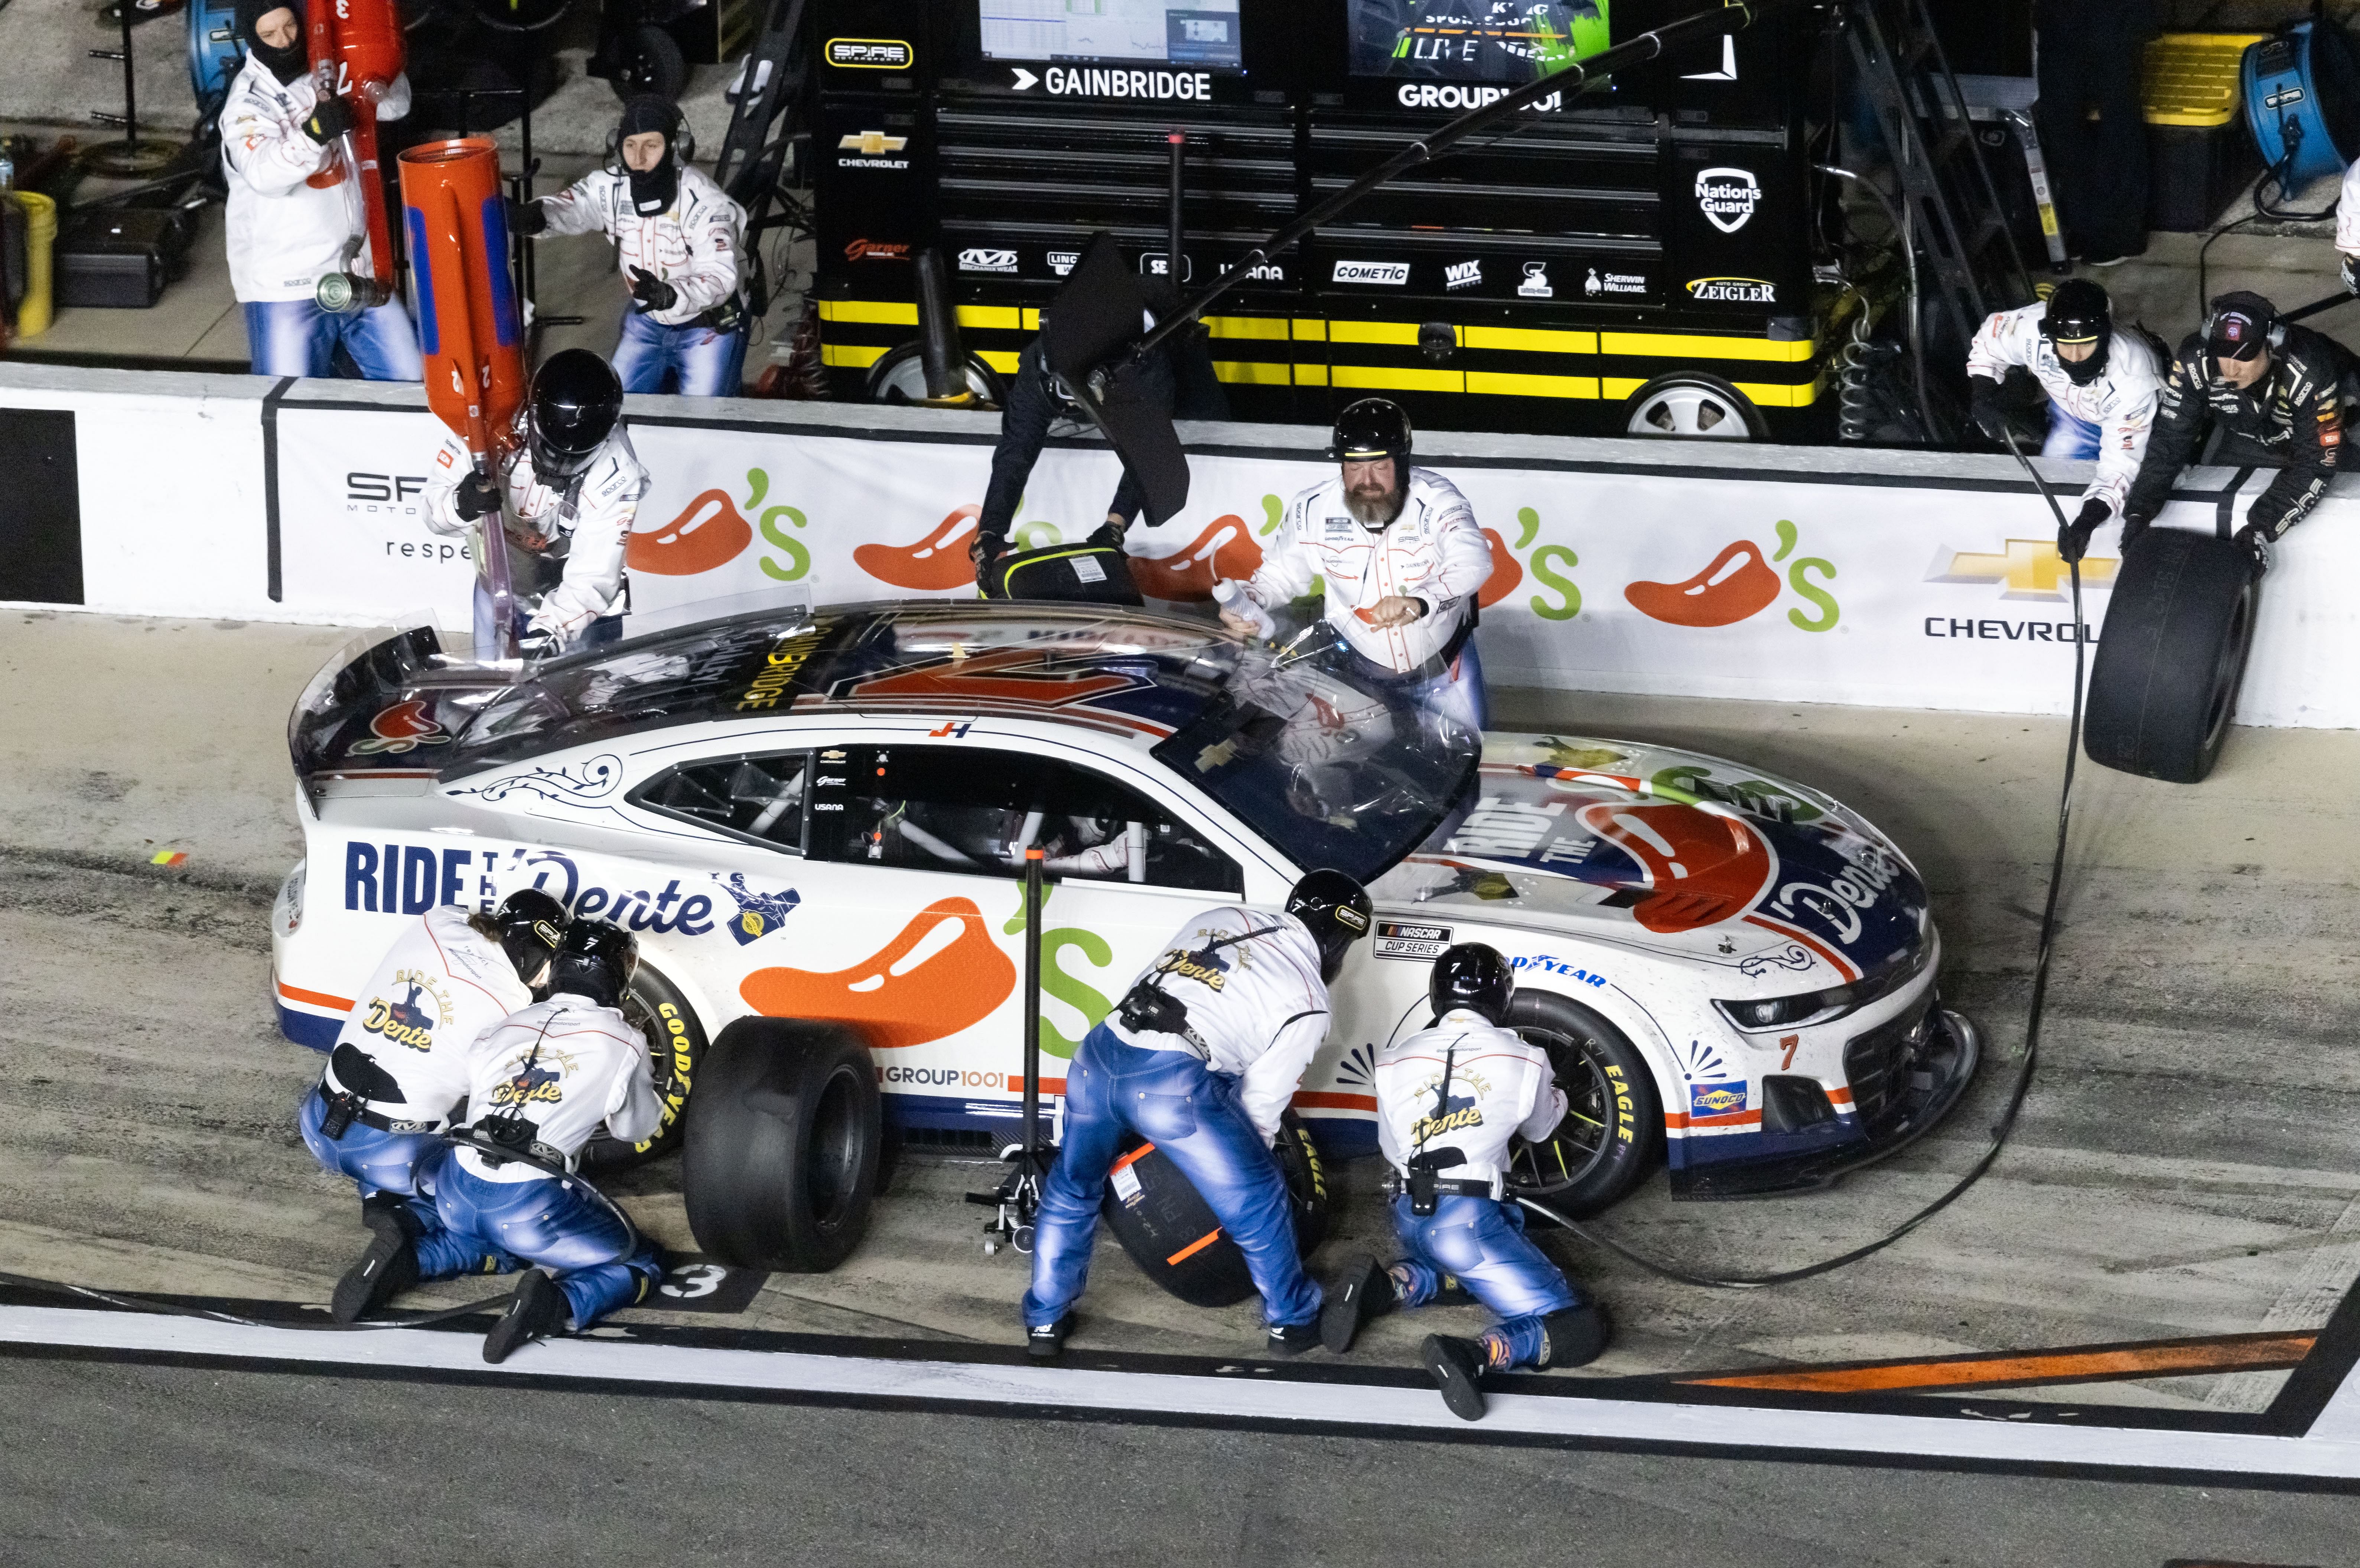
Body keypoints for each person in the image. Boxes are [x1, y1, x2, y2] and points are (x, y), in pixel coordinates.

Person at [1021, 869, 1374, 1359]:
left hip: (1098, 1054)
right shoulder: (1310, 1001)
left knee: (1072, 1185)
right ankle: (1292, 1319)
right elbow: (1261, 1106)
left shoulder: (1219, 917)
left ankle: (1044, 1319)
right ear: (1341, 940)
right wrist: (1242, 1169)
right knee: (1259, 1192)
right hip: (1171, 1085)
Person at [1320, 943, 1609, 1421]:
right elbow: (1540, 1129)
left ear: (1437, 996)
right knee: (1580, 1327)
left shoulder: (1392, 1060)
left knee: (1473, 1273)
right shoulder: (1527, 1057)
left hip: (1409, 1213)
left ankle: (1389, 1285)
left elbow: (1393, 1149)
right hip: (1471, 1224)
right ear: (1502, 999)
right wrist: (1556, 1093)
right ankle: (1475, 1355)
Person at [299, 891, 567, 1323]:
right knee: (506, 1224)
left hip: (318, 1121)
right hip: (392, 1152)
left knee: (408, 1073)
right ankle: (415, 1247)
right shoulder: (512, 1007)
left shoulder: (435, 921)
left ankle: (379, 1201)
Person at [417, 920, 665, 1363]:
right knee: (640, 1262)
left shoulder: (502, 1025)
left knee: (497, 1239)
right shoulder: (624, 1041)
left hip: (453, 1188)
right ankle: (555, 1305)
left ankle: (413, 1259)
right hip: (528, 1208)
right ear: (613, 974)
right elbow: (635, 1130)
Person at [1215, 398, 1494, 730]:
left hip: (1445, 670)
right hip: (1359, 679)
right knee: (1368, 770)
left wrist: (1421, 601)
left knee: (1471, 761)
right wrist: (1249, 603)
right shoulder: (1311, 509)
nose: (1367, 481)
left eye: (1379, 466)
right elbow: (1280, 576)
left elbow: (1473, 561)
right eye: (1354, 467)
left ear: (1401, 462)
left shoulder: (1438, 499)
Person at [219, 0, 421, 380]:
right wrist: (313, 133)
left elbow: (394, 107)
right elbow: (264, 174)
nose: (284, 41)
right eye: (269, 34)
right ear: (251, 38)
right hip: (287, 285)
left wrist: (378, 67)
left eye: (290, 27)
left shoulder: (328, 68)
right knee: (289, 408)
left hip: (358, 271)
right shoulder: (246, 104)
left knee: (412, 389)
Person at [971, 299, 1229, 580]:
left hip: (1163, 343)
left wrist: (1114, 526)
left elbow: (1147, 451)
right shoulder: (1036, 372)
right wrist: (989, 531)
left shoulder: (1150, 376)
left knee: (1208, 416)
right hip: (1098, 359)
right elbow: (1016, 451)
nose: (1076, 412)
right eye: (1070, 402)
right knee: (1026, 432)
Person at [509, 96, 749, 397]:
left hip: (710, 327)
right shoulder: (608, 186)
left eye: (651, 145)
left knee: (705, 424)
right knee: (618, 408)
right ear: (617, 147)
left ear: (676, 148)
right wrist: (532, 218)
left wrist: (672, 294)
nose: (638, 158)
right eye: (630, 145)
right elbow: (573, 205)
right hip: (647, 319)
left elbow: (719, 275)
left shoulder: (705, 201)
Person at [422, 348, 648, 658]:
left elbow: (594, 572)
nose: (561, 463)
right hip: (499, 586)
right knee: (491, 689)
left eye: (575, 457)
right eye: (552, 449)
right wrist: (461, 504)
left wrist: (549, 633)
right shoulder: (488, 426)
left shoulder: (618, 474)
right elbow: (433, 514)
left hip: (578, 607)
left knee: (585, 696)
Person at [2119, 291, 2350, 573]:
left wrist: (2261, 527)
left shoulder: (2309, 369)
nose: (2230, 369)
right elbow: (2170, 438)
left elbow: (2316, 462)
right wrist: (2138, 511)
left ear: (2271, 345)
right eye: (2222, 355)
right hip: (2244, 431)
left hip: (2330, 418)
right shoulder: (2195, 361)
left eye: (2244, 357)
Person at [1965, 279, 2162, 564]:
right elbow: (1990, 341)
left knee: (2126, 506)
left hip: (2131, 420)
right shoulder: (2030, 329)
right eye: (2065, 346)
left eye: (2086, 346)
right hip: (2072, 418)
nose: (2074, 358)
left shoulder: (2134, 378)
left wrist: (2087, 522)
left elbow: (2121, 467)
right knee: (2053, 501)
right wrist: (1982, 397)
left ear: (2106, 335)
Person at [2032, 0, 2159, 266]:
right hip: (2059, 18)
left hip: (2115, 17)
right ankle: (2081, 225)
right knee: (2060, 119)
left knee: (2118, 118)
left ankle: (2120, 235)